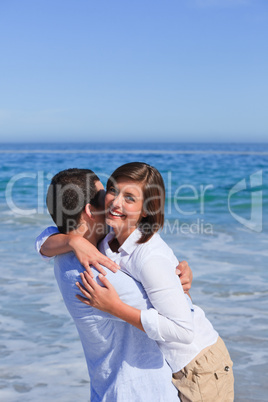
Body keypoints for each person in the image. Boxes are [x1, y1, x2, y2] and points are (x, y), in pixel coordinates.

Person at [72, 162, 234, 402]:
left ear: (147, 209)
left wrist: (114, 308)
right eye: (114, 191)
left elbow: (183, 331)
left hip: (200, 366)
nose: (116, 203)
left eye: (130, 198)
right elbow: (46, 238)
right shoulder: (109, 238)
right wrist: (72, 241)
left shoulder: (149, 257)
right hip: (178, 366)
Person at [36, 168, 193, 401]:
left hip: (110, 388)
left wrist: (73, 239)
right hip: (139, 391)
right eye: (107, 195)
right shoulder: (97, 273)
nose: (113, 202)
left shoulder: (68, 252)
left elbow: (44, 237)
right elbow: (174, 318)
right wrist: (172, 277)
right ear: (90, 211)